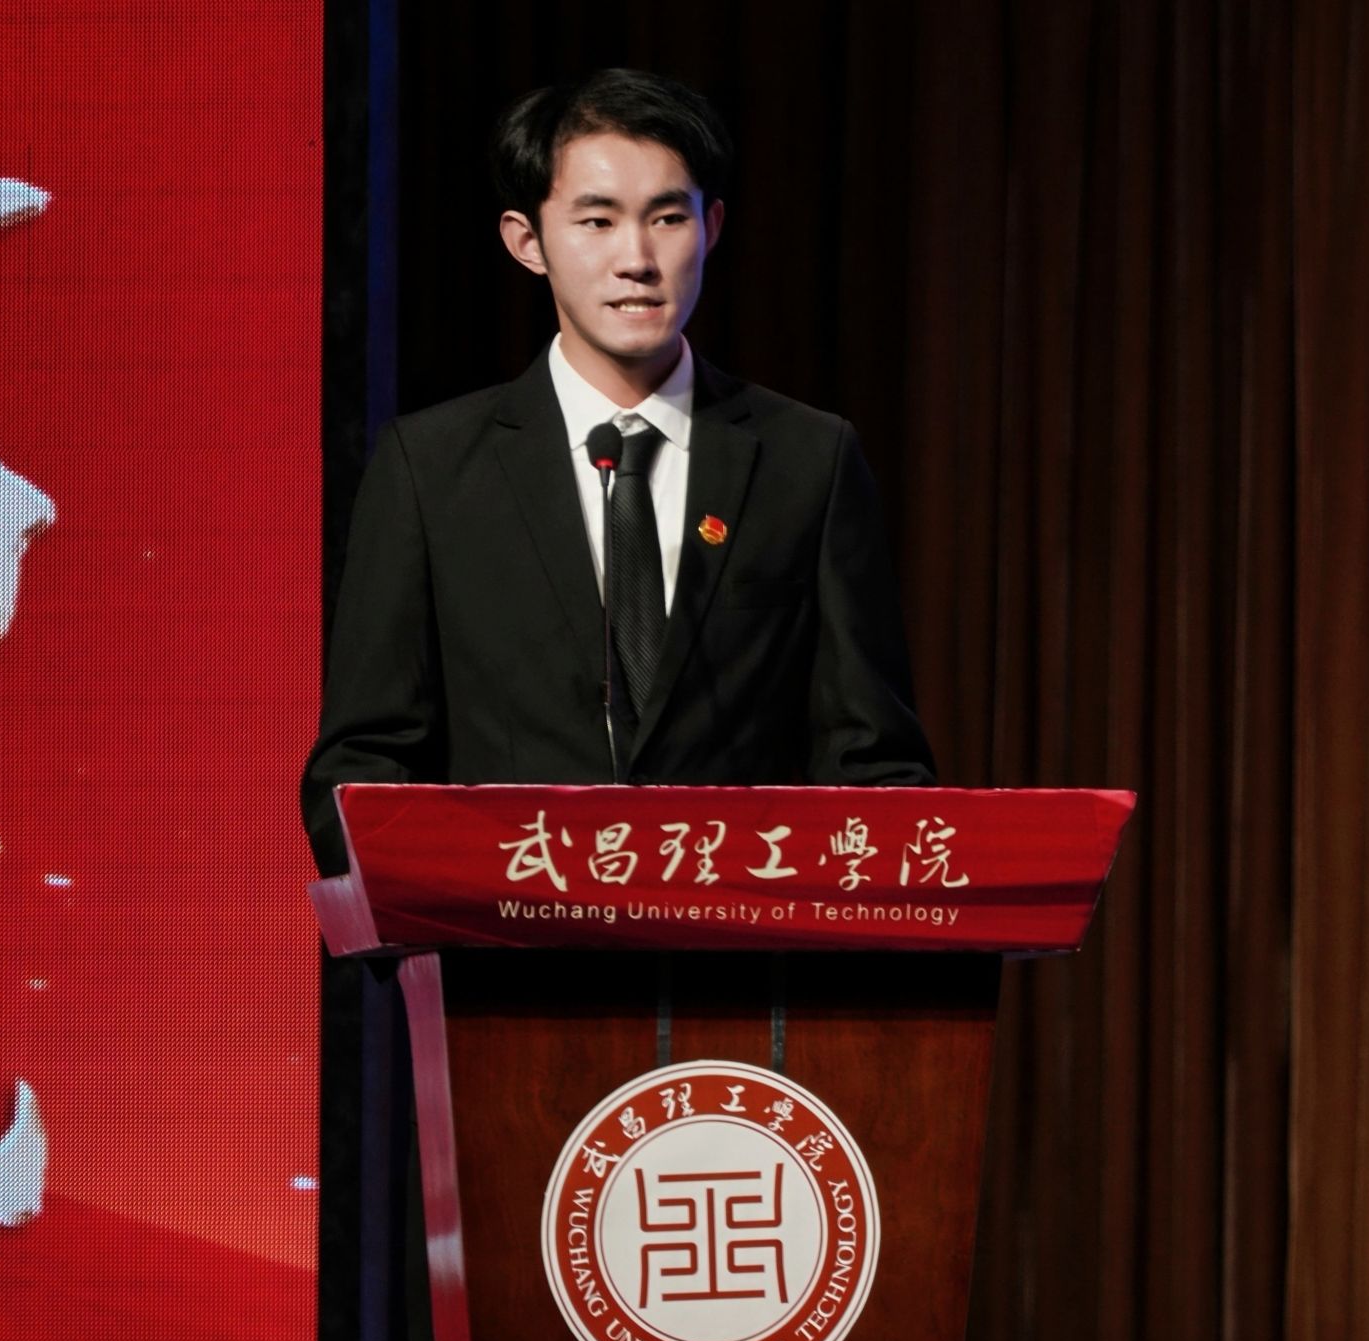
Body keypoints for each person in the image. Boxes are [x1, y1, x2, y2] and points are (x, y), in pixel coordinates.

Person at [303, 68, 934, 874]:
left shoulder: (807, 458)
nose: (636, 258)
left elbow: (873, 760)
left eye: (667, 218)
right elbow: (360, 766)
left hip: (739, 934)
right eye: (597, 221)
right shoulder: (429, 468)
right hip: (508, 935)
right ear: (527, 241)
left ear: (711, 226)